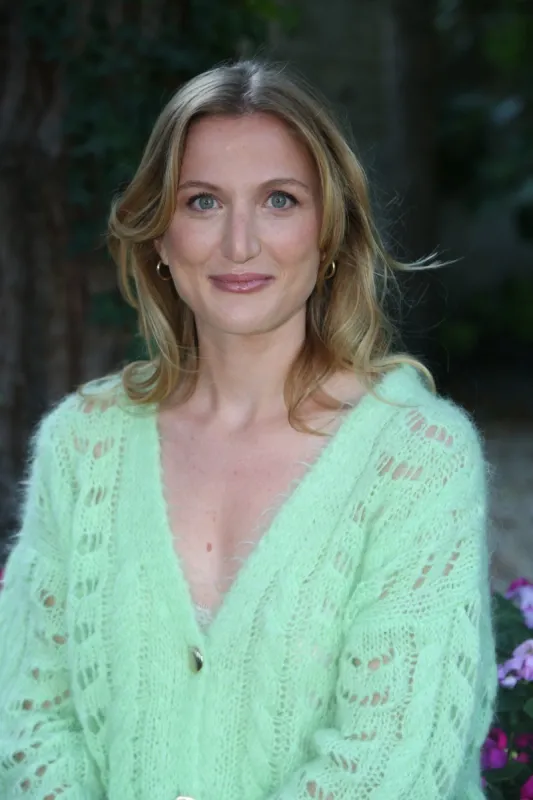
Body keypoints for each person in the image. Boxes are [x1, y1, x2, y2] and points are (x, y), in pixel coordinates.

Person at [0, 59, 497, 799]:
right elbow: (28, 724)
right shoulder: (83, 444)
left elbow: (387, 764)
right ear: (160, 238)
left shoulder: (415, 459)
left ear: (328, 231)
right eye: (202, 202)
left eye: (278, 201)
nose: (239, 244)